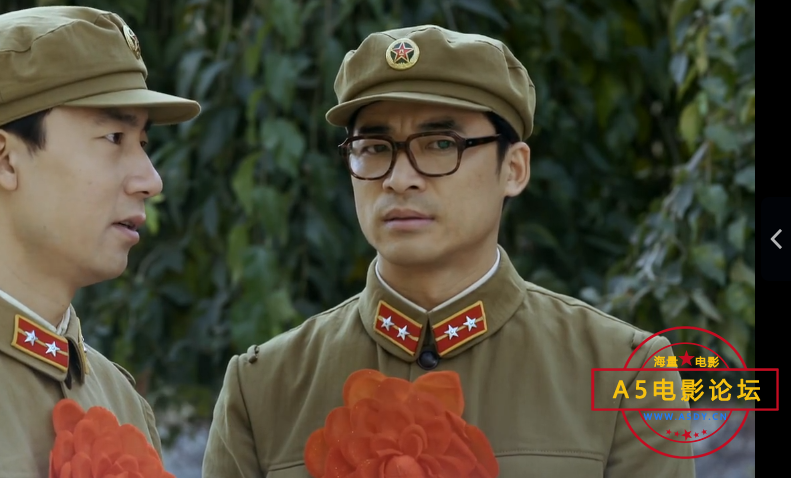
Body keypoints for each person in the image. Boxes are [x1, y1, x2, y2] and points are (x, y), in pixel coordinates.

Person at [202, 25, 695, 477]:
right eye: (374, 148)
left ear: (514, 169)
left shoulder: (621, 371)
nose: (400, 179)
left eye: (440, 144)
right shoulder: (265, 386)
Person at [0, 6, 200, 477]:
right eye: (114, 137)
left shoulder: (119, 399)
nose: (151, 180)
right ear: (4, 159)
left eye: (142, 143)